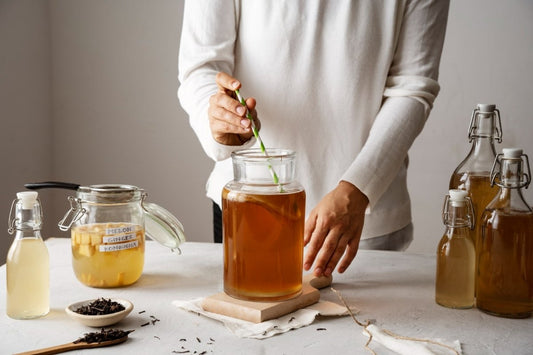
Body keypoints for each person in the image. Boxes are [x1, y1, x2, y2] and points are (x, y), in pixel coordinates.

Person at [178, 0, 449, 277]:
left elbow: (413, 87)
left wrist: (356, 189)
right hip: (248, 206)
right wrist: (220, 122)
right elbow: (202, 67)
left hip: (362, 217)